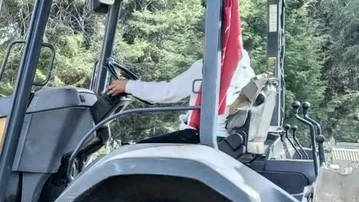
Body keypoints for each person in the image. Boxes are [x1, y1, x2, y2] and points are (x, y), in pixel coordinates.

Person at [106, 49, 254, 143]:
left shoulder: (209, 67)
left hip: (202, 136)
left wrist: (128, 86)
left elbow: (168, 92)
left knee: (133, 153)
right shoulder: (242, 67)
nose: (203, 45)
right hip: (221, 136)